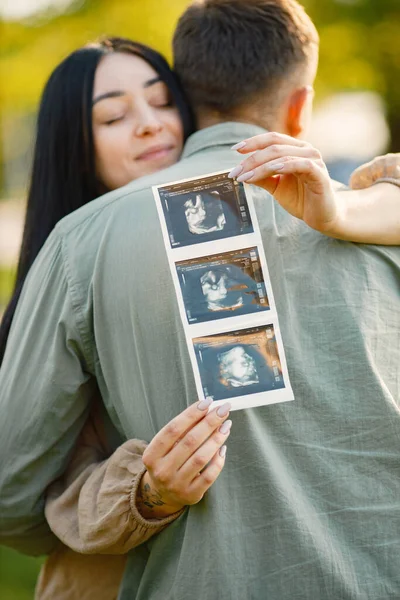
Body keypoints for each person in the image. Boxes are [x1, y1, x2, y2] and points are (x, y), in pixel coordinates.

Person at [0, 1, 400, 597]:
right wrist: (140, 491)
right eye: (113, 116)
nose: (150, 126)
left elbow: (12, 494)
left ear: (191, 101)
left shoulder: (87, 243)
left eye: (162, 103)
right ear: (301, 104)